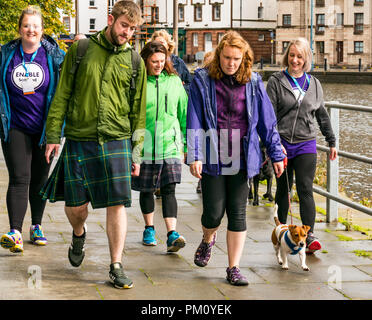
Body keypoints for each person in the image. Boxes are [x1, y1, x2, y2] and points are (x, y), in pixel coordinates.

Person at [40, 0, 146, 289]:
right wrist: (52, 136)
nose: (127, 33)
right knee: (76, 206)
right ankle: (78, 232)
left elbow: (139, 112)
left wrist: (137, 151)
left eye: (133, 29)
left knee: (117, 204)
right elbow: (61, 94)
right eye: (124, 25)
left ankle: (116, 264)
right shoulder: (81, 50)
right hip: (80, 136)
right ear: (111, 20)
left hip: (117, 138)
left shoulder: (135, 62)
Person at [187, 31, 285, 286]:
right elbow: (195, 118)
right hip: (213, 154)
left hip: (242, 155)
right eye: (227, 57)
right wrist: (195, 154)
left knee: (238, 213)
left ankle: (233, 268)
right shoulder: (202, 80)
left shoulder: (253, 83)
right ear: (219, 55)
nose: (231, 63)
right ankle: (208, 238)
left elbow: (267, 122)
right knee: (213, 213)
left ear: (244, 59)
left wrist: (275, 152)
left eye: (236, 59)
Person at [0, 6, 65, 253]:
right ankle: (15, 232)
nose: (31, 30)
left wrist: (57, 131)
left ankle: (36, 226)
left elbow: (64, 91)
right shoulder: (7, 54)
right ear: (20, 29)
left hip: (45, 129)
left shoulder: (54, 57)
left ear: (42, 30)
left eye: (36, 26)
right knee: (19, 177)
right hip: (14, 125)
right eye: (26, 25)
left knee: (39, 179)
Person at [266, 37, 337, 254]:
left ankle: (309, 235)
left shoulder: (314, 84)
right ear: (287, 55)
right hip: (283, 144)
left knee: (306, 188)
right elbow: (268, 116)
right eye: (292, 55)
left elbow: (322, 115)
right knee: (283, 190)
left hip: (306, 143)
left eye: (300, 56)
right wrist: (275, 145)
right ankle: (283, 231)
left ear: (306, 59)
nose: (295, 60)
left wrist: (331, 140)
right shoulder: (276, 81)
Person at [131, 41, 188, 252]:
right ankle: (149, 228)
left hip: (170, 145)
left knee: (169, 188)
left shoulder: (174, 82)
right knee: (146, 189)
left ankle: (172, 234)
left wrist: (186, 146)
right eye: (154, 61)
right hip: (143, 144)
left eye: (162, 61)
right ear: (145, 60)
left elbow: (183, 114)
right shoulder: (138, 82)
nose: (158, 65)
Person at [151, 29, 192, 95]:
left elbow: (190, 83)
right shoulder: (148, 62)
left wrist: (179, 88)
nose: (158, 46)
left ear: (168, 45)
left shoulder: (178, 62)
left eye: (161, 43)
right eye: (156, 43)